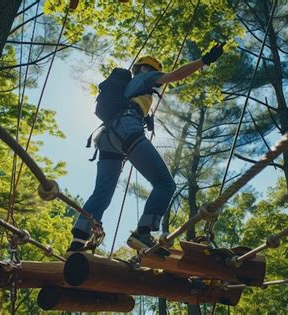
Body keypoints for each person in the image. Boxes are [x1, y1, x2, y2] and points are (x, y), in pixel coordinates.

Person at [67, 43, 225, 254]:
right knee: (165, 184)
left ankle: (78, 241)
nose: (155, 76)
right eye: (152, 70)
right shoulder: (144, 78)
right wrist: (205, 60)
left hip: (107, 137)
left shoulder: (129, 87)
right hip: (126, 131)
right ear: (145, 68)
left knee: (102, 192)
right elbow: (176, 75)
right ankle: (143, 233)